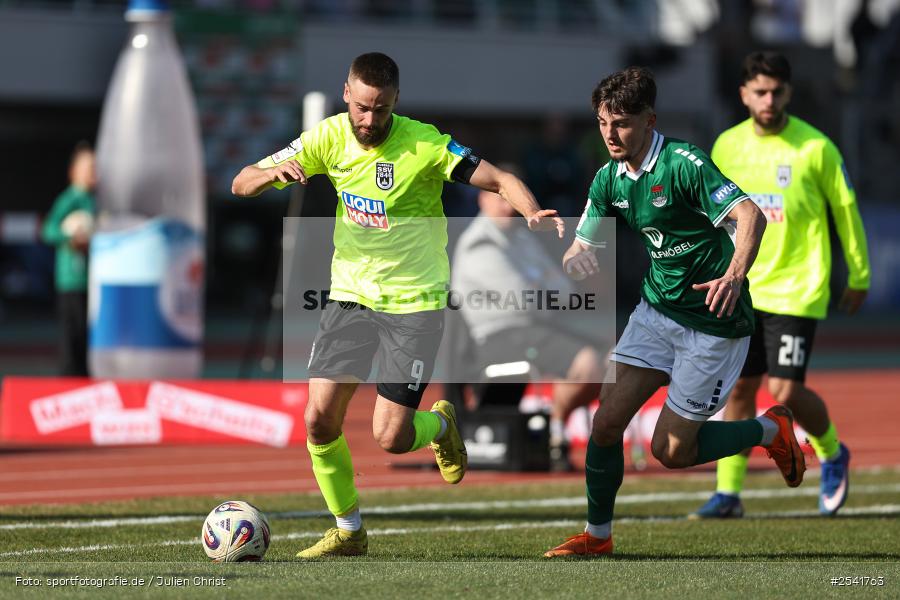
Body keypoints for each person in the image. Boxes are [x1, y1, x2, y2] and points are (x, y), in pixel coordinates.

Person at [231, 52, 563, 558]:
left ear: (395, 103)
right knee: (319, 419)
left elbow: (498, 179)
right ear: (347, 94)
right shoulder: (327, 137)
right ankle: (349, 530)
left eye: (380, 110)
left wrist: (532, 210)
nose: (369, 120)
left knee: (390, 436)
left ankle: (442, 424)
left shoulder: (425, 143)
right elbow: (241, 181)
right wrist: (275, 174)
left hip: (415, 302)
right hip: (350, 296)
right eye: (362, 108)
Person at [543, 66, 805, 558]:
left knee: (672, 451)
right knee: (605, 423)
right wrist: (577, 258)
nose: (610, 134)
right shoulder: (607, 179)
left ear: (649, 120)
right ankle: (597, 536)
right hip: (656, 314)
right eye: (602, 122)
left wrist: (734, 275)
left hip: (714, 324)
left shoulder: (685, 164)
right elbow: (582, 245)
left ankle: (771, 429)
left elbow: (749, 216)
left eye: (621, 123)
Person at [691, 51, 870, 520]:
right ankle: (729, 494)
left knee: (785, 390)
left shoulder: (815, 148)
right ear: (744, 94)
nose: (769, 100)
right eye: (760, 92)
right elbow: (710, 215)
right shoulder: (727, 146)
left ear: (788, 93)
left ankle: (832, 452)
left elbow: (845, 208)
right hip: (741, 286)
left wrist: (859, 272)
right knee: (740, 390)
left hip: (798, 286)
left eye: (776, 91)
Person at [451, 163, 604, 472]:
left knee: (610, 356)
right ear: (482, 199)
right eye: (499, 197)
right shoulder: (479, 243)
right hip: (498, 337)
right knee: (587, 362)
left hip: (534, 328)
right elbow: (524, 299)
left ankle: (554, 430)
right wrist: (542, 285)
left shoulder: (522, 239)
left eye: (511, 199)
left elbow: (561, 287)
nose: (507, 206)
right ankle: (554, 431)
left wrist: (541, 287)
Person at [42, 142, 96, 377]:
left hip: (92, 283)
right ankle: (68, 382)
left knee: (88, 338)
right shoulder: (69, 200)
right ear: (74, 172)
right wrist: (70, 237)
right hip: (71, 281)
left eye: (94, 169)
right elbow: (48, 230)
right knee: (71, 337)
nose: (92, 174)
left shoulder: (95, 201)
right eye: (88, 169)